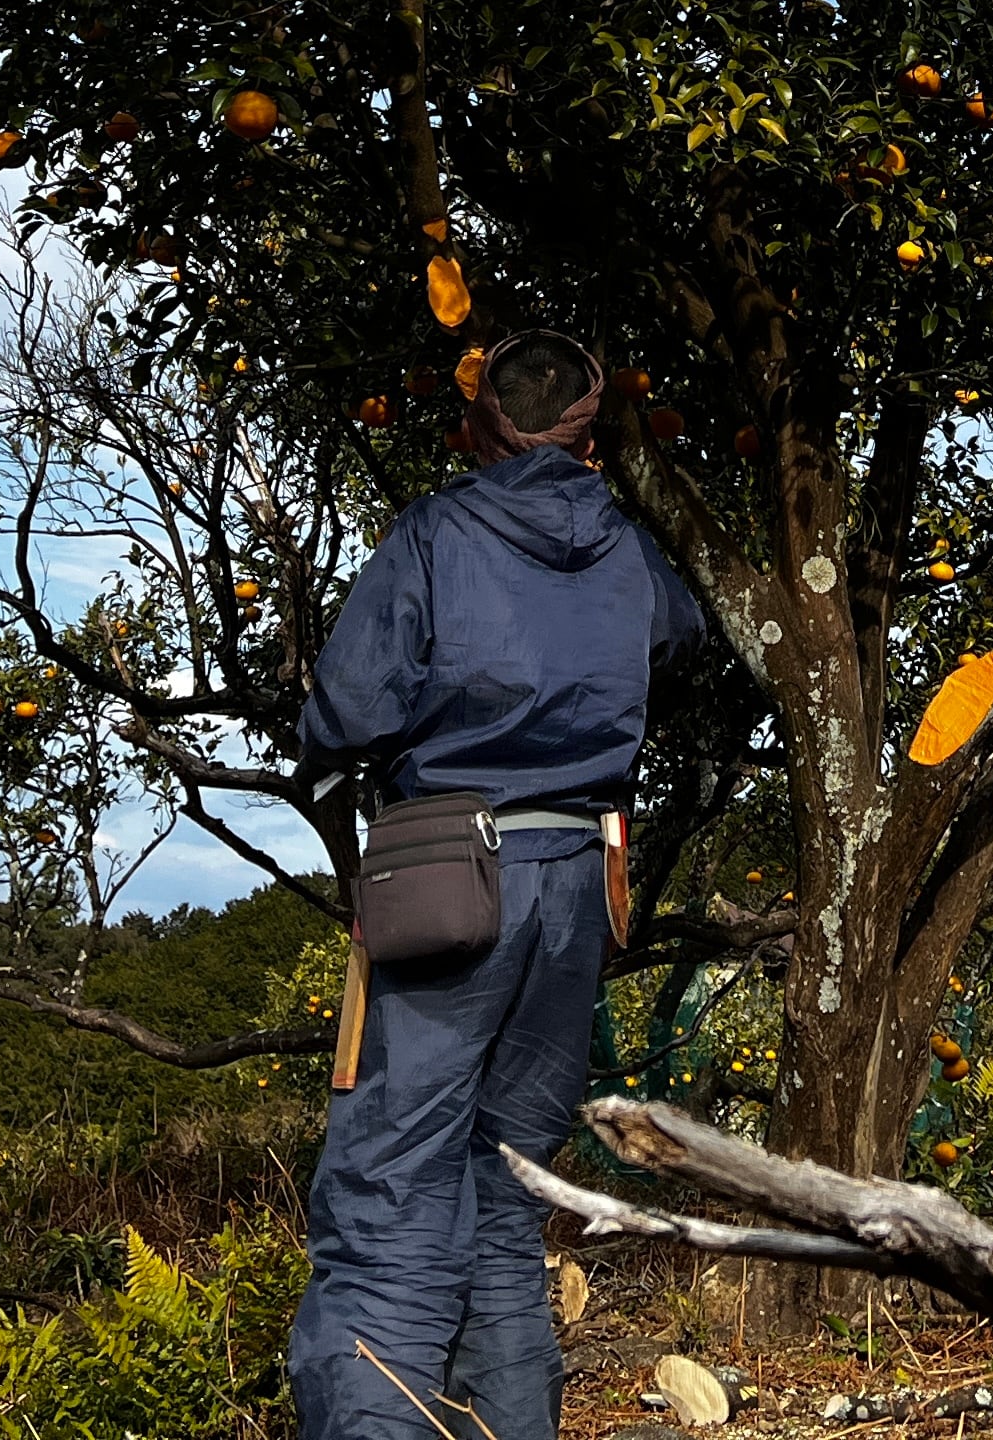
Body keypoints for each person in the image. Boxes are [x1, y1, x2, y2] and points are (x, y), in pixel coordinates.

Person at [285, 328, 704, 1440]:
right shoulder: (623, 542)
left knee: (392, 1185)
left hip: (453, 878)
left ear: (481, 425)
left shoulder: (438, 531)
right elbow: (678, 633)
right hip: (579, 885)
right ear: (590, 429)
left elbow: (351, 711)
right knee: (508, 1188)